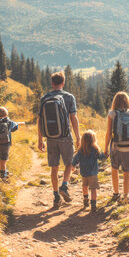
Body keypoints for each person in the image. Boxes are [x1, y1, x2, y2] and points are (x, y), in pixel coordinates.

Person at [38, 71, 81, 207]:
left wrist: (40, 139)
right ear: (63, 83)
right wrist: (78, 137)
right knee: (69, 163)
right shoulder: (69, 97)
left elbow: (39, 120)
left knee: (54, 168)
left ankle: (56, 196)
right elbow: (73, 118)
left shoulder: (45, 98)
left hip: (50, 137)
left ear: (52, 83)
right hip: (65, 136)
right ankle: (64, 186)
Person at [104, 91, 129, 204]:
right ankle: (125, 197)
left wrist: (105, 149)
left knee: (114, 170)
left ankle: (116, 194)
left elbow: (109, 133)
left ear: (115, 102)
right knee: (126, 173)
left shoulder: (112, 114)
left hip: (116, 147)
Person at [72, 130, 107, 212]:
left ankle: (85, 199)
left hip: (84, 173)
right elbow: (101, 158)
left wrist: (73, 166)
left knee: (84, 186)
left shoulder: (80, 150)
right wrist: (106, 154)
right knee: (93, 189)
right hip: (93, 173)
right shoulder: (95, 149)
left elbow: (75, 159)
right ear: (93, 140)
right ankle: (93, 205)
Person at [0, 106, 25, 181]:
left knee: (1, 157)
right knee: (4, 159)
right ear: (6, 114)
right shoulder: (9, 121)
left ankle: (4, 171)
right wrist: (20, 123)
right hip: (6, 143)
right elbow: (14, 128)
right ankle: (3, 176)